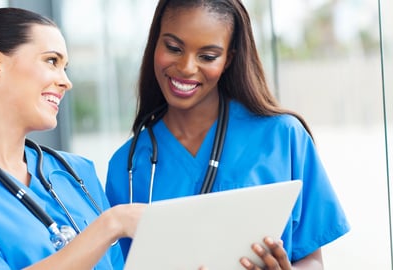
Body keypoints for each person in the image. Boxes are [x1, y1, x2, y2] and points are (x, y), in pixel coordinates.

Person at [105, 0, 350, 269]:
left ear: (228, 59)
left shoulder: (283, 137)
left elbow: (312, 259)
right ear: (155, 45)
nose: (187, 67)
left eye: (208, 56)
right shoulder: (126, 167)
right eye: (173, 48)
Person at [0, 7, 146, 270]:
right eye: (51, 61)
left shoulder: (76, 172)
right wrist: (109, 226)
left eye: (65, 67)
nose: (66, 82)